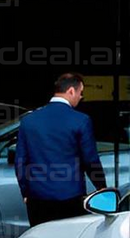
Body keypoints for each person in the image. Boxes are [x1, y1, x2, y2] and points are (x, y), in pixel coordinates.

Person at [15, 71, 107, 226]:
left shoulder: (28, 121)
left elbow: (20, 161)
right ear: (71, 91)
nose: (81, 97)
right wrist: (102, 188)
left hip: (37, 198)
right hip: (70, 197)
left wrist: (25, 192)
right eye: (80, 93)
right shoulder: (81, 120)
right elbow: (90, 160)